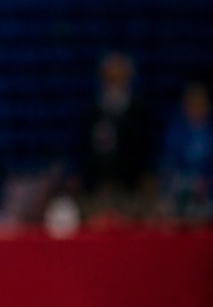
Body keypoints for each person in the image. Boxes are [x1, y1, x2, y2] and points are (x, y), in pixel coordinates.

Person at [79, 51, 158, 217]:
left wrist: (147, 176)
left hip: (131, 186)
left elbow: (147, 147)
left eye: (119, 77)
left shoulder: (140, 111)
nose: (115, 82)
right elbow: (83, 149)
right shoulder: (92, 112)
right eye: (110, 77)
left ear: (128, 77)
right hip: (98, 187)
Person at [160, 80, 212, 220]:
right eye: (193, 104)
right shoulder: (176, 131)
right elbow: (169, 163)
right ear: (185, 106)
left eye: (201, 104)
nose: (197, 108)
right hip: (182, 187)